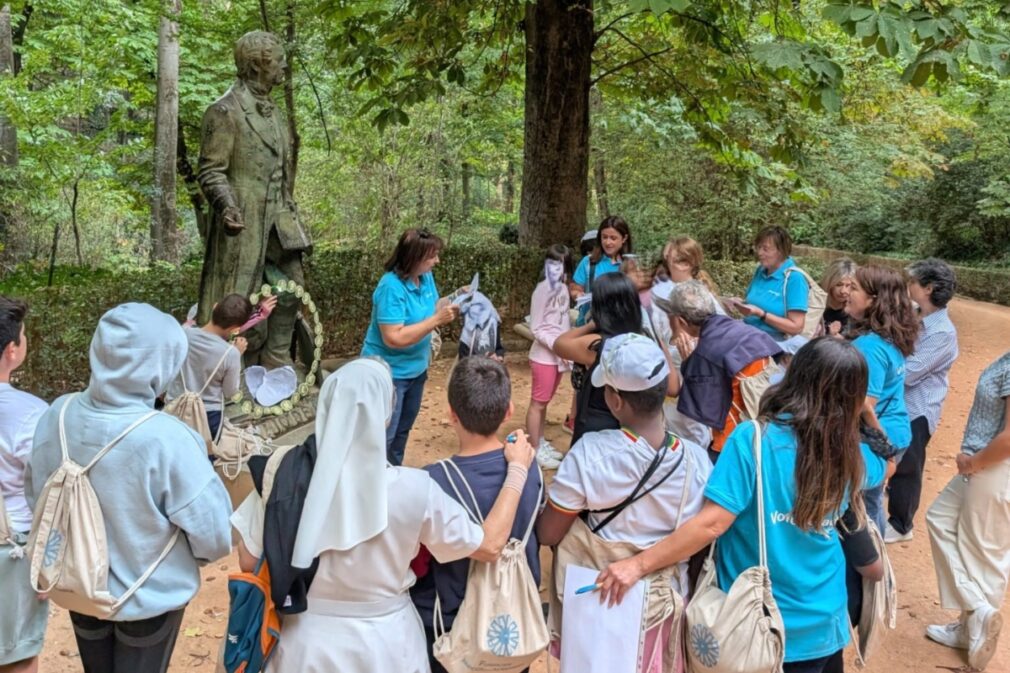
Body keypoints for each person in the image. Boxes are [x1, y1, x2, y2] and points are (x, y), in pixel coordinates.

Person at [596, 337, 888, 673]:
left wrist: (637, 565)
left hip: (759, 625)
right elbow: (887, 464)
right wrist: (867, 416)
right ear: (854, 398)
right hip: (826, 620)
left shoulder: (754, 439)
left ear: (795, 376)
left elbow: (712, 523)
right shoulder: (853, 451)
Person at [230, 358, 536, 672]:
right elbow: (489, 545)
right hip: (388, 644)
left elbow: (248, 560)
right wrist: (517, 471)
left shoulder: (280, 471)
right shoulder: (415, 489)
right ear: (385, 417)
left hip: (305, 642)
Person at [27, 303, 233, 673]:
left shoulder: (55, 415)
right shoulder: (168, 437)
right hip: (148, 597)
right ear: (164, 362)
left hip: (77, 586)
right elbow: (214, 533)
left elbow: (37, 495)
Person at [411, 357, 544, 673]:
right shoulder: (528, 466)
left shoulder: (434, 481)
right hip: (512, 629)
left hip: (451, 631)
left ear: (451, 414)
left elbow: (417, 561)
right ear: (509, 410)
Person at [197, 31, 310, 369]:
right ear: (259, 64)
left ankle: (276, 359)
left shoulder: (274, 111)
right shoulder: (224, 111)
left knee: (292, 287)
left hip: (278, 218)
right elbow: (211, 170)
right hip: (243, 222)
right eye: (278, 60)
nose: (284, 66)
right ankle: (227, 369)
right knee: (235, 302)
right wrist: (226, 205)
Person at [924, 348, 1010, 671]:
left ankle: (975, 636)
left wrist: (974, 462)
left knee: (986, 553)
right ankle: (975, 613)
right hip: (984, 467)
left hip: (995, 469)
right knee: (940, 518)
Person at [361, 228, 462, 465]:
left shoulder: (425, 278)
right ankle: (371, 487)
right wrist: (436, 321)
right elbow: (393, 338)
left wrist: (459, 295)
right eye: (432, 256)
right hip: (389, 376)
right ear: (414, 258)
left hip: (416, 371)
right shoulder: (390, 287)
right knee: (382, 436)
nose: (437, 261)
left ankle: (393, 476)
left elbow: (433, 305)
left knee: (402, 431)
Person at [655, 280, 782, 460]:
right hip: (768, 420)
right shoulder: (742, 328)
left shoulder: (704, 353)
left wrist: (689, 363)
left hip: (733, 440)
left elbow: (700, 411)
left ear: (681, 321)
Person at [886, 259, 958, 544]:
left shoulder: (942, 333)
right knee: (896, 458)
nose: (909, 286)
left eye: (913, 282)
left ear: (927, 288)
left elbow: (910, 373)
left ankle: (901, 524)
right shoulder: (917, 317)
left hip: (918, 408)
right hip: (901, 403)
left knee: (909, 465)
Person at [845, 265, 918, 533]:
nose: (846, 292)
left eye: (853, 288)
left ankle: (871, 566)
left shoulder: (869, 346)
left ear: (873, 300)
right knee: (870, 502)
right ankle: (876, 564)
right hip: (895, 431)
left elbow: (864, 405)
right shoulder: (887, 337)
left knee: (860, 508)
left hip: (876, 438)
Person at [554, 274, 666, 446]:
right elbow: (673, 386)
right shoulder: (644, 340)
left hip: (597, 427)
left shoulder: (597, 344)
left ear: (599, 306)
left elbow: (560, 344)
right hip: (636, 429)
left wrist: (592, 323)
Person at [0, 298, 48, 673]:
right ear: (12, 350)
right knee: (16, 655)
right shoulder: (31, 413)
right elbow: (46, 489)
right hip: (10, 547)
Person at [167, 293, 254, 439]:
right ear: (235, 329)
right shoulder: (230, 354)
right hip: (208, 416)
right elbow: (230, 392)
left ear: (214, 308)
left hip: (174, 406)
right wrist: (237, 353)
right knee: (204, 457)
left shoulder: (182, 334)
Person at [526, 244, 573, 469]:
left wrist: (565, 350)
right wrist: (557, 346)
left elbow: (561, 323)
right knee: (537, 403)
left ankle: (540, 441)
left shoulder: (563, 289)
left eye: (561, 264)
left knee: (544, 403)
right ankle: (533, 449)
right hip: (544, 356)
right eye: (553, 264)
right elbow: (536, 327)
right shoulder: (542, 289)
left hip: (559, 357)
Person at [730, 225, 809, 341]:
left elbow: (796, 327)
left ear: (781, 251)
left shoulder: (795, 278)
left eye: (765, 249)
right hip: (748, 332)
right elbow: (754, 302)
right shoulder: (761, 270)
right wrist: (740, 303)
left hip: (773, 341)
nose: (759, 253)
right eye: (758, 247)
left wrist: (762, 314)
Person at [569, 215, 632, 326]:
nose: (608, 242)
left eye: (613, 238)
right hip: (589, 323)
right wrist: (578, 294)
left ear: (624, 238)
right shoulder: (588, 262)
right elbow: (575, 287)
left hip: (620, 325)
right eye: (604, 237)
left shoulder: (630, 264)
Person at [820, 258, 857, 336]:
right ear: (829, 283)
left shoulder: (856, 310)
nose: (843, 291)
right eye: (838, 285)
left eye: (848, 286)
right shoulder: (818, 302)